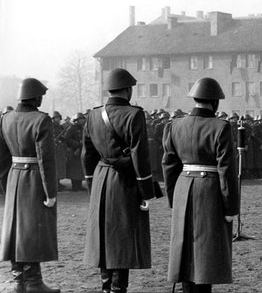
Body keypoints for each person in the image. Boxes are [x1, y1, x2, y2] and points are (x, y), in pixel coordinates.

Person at [82, 68, 157, 293]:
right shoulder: (134, 114)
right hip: (124, 181)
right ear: (127, 90)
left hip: (101, 177)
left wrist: (91, 181)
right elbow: (140, 156)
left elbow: (87, 153)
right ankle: (117, 288)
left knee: (104, 236)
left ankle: (107, 287)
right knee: (122, 237)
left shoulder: (93, 114)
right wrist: (145, 191)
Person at [162, 77, 239, 293]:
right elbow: (227, 170)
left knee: (184, 246)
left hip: (183, 187)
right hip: (210, 189)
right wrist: (231, 207)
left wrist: (173, 198)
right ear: (215, 103)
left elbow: (168, 164)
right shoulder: (221, 127)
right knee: (206, 248)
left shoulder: (174, 125)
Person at [0, 78, 60, 292]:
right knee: (32, 230)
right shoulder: (41, 120)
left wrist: (6, 183)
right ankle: (33, 282)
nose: (41, 99)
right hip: (34, 179)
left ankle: (18, 281)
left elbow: (2, 157)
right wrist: (50, 191)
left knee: (16, 230)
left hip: (14, 178)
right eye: (40, 96)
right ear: (34, 97)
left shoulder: (5, 118)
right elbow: (46, 159)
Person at [65, 112, 86, 191]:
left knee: (80, 169)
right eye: (80, 119)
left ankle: (79, 185)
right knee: (74, 170)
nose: (82, 121)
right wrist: (77, 144)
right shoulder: (71, 128)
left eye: (82, 119)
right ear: (76, 120)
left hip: (80, 151)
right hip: (74, 151)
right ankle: (75, 186)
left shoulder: (83, 128)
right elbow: (68, 139)